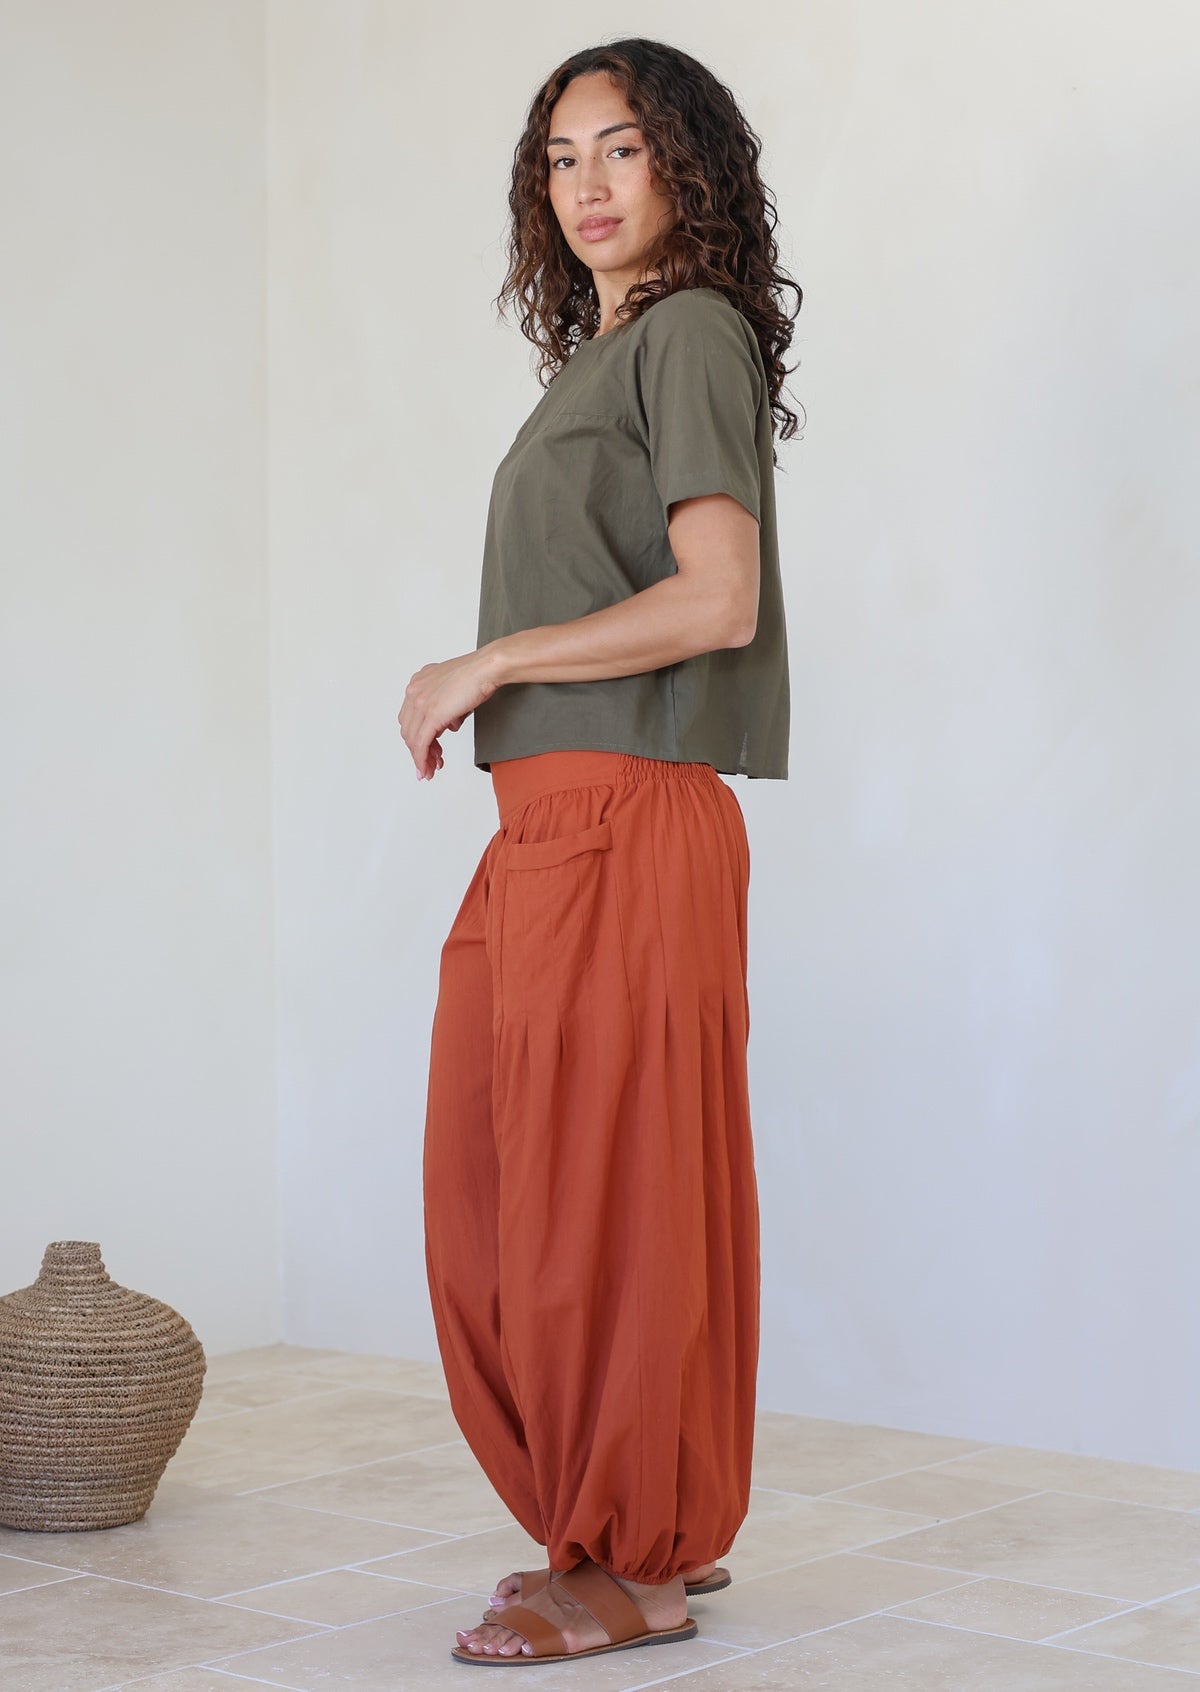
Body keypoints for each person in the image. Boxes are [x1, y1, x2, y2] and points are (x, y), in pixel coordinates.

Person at [398, 36, 801, 1668]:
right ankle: (644, 1525)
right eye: (561, 158)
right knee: (513, 1185)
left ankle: (625, 1560)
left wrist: (489, 660)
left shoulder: (688, 332)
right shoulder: (602, 359)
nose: (587, 186)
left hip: (621, 813)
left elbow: (722, 601)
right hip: (555, 822)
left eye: (623, 150)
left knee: (604, 1199)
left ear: (685, 167)